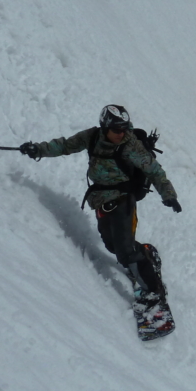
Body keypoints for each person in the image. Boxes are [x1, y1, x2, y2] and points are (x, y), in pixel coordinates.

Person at [18, 104, 181, 335]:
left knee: (124, 250)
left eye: (124, 128)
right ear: (105, 127)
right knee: (112, 245)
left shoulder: (131, 146)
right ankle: (145, 256)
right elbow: (64, 145)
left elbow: (155, 171)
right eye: (116, 129)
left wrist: (169, 195)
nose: (121, 133)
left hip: (124, 198)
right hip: (102, 199)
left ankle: (153, 293)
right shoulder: (92, 136)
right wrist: (38, 149)